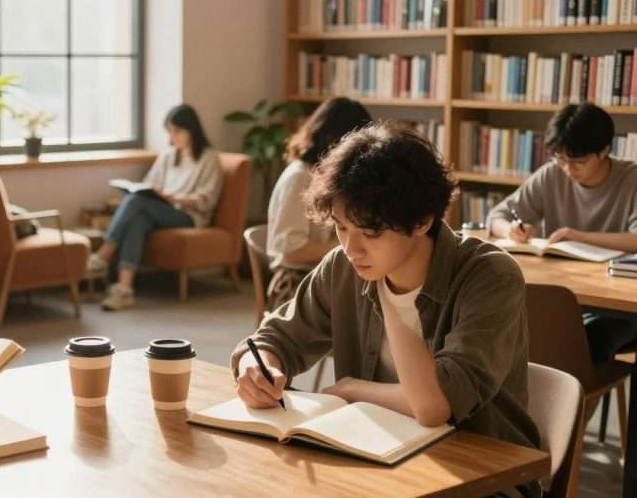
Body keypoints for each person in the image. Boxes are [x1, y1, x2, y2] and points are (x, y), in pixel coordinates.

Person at [234, 123, 540, 498]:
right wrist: (259, 366)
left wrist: (351, 390)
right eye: (342, 228)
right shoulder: (342, 267)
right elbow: (274, 337)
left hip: (481, 477)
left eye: (371, 233)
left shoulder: (489, 275)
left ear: (421, 221)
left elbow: (434, 405)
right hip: (376, 456)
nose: (351, 248)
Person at [486, 103, 637, 362]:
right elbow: (496, 216)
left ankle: (573, 399)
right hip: (564, 295)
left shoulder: (631, 178)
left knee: (587, 340)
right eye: (561, 158)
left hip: (618, 303)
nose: (568, 169)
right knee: (514, 329)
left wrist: (577, 235)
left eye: (578, 161)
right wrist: (511, 230)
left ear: (604, 150)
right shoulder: (552, 175)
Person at [87, 104, 223, 311]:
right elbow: (150, 182)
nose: (172, 136)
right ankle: (124, 288)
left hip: (189, 215)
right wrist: (155, 193)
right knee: (139, 219)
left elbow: (207, 199)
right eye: (169, 131)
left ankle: (103, 255)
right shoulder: (168, 156)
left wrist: (174, 197)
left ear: (191, 129)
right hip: (162, 209)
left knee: (135, 202)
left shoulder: (209, 159)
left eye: (177, 131)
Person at [265, 97, 371, 313]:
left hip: (323, 275)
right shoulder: (300, 178)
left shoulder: (326, 176)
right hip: (297, 283)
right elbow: (290, 251)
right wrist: (345, 245)